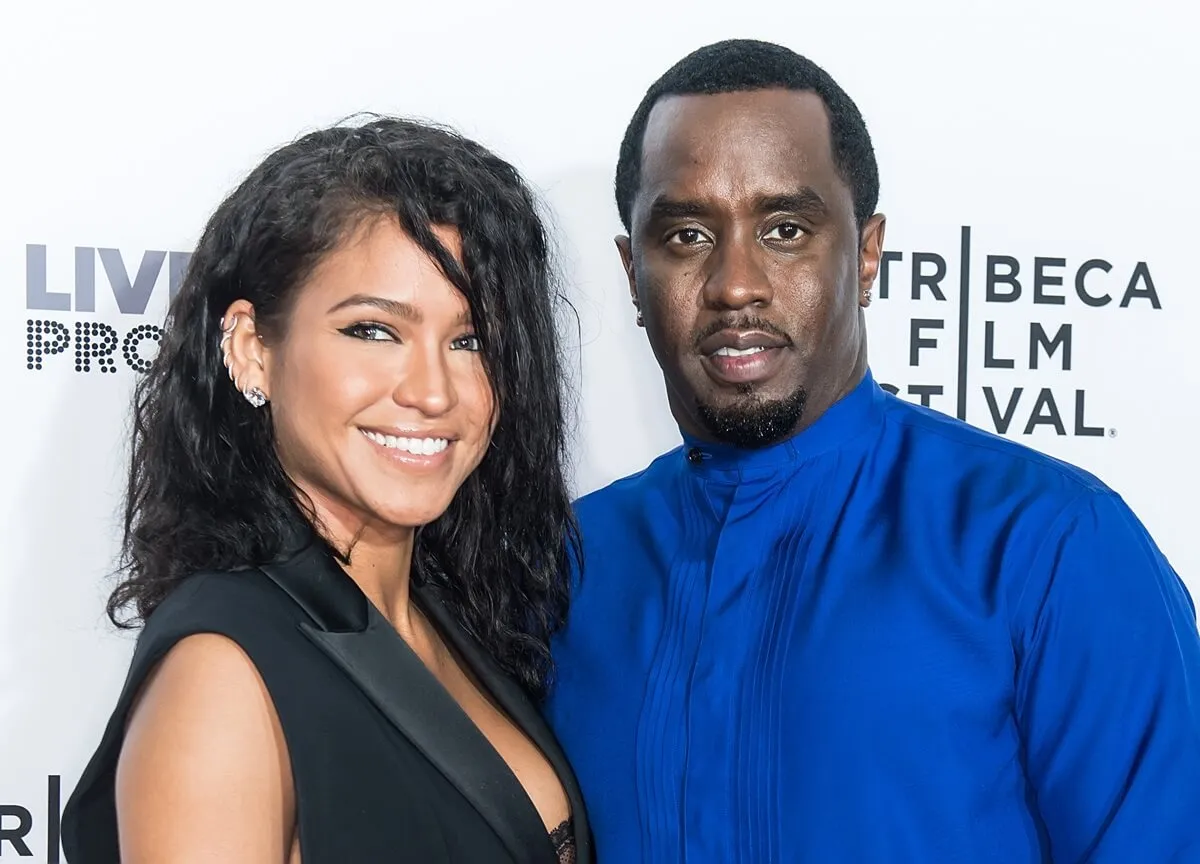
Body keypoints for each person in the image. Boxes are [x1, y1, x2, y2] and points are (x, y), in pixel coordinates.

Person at [542, 38, 1200, 862]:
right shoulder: (570, 562)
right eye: (685, 236)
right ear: (630, 271)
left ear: (867, 254)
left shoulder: (1048, 543)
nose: (735, 283)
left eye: (785, 229)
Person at [62, 117, 591, 864]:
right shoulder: (223, 675)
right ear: (253, 349)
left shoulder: (456, 621)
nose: (433, 392)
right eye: (374, 331)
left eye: (469, 341)